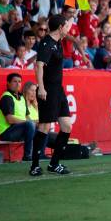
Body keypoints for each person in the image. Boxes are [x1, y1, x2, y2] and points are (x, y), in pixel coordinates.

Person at [29, 14, 74, 176]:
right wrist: (40, 88)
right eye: (66, 26)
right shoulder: (47, 44)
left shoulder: (58, 40)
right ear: (60, 28)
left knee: (67, 126)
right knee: (44, 126)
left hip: (58, 90)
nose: (68, 28)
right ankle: (34, 165)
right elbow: (39, 66)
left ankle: (54, 164)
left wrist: (74, 14)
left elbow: (67, 23)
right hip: (48, 90)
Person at [0, 73, 35, 161]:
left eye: (19, 82)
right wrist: (29, 123)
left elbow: (28, 118)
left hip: (19, 130)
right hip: (6, 133)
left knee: (42, 128)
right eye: (14, 81)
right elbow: (10, 119)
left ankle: (40, 154)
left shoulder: (22, 97)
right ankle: (27, 156)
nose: (18, 84)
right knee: (29, 125)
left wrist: (38, 123)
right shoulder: (6, 97)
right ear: (8, 83)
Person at [23, 81, 49, 159]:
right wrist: (38, 122)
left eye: (35, 91)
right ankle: (40, 154)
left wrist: (37, 105)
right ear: (26, 91)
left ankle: (64, 154)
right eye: (31, 90)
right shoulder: (22, 103)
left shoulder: (35, 105)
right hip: (27, 130)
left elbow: (41, 119)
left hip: (38, 130)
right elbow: (26, 120)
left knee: (56, 137)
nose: (34, 93)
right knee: (43, 129)